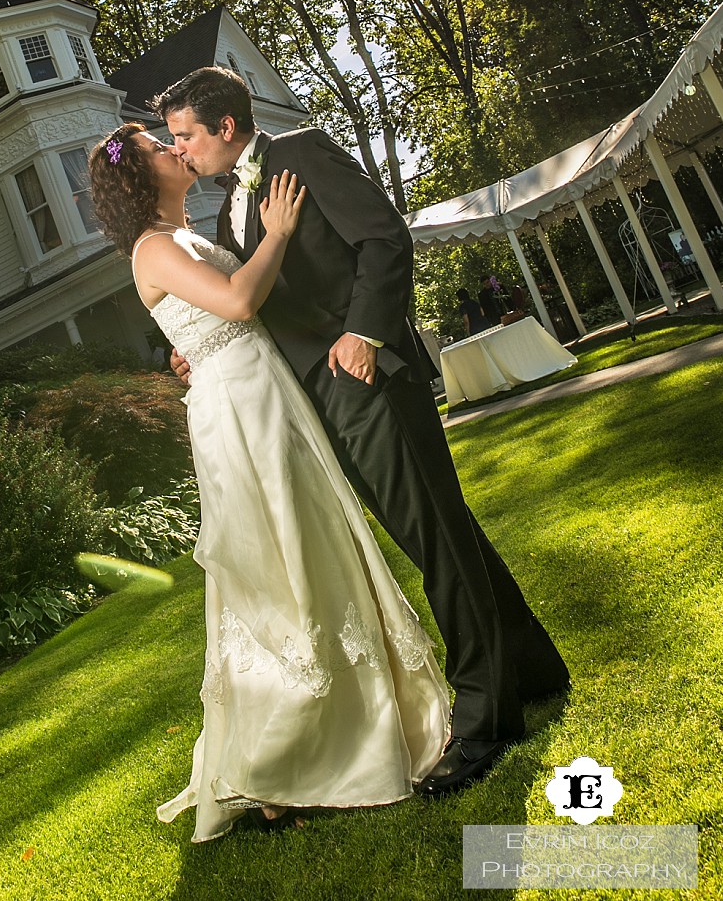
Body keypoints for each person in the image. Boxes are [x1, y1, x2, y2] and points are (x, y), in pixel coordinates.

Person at [154, 67, 569, 798]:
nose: (179, 149)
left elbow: (382, 240)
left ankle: (484, 723)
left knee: (435, 540)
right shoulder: (227, 214)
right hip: (320, 402)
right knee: (441, 529)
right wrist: (197, 346)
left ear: (224, 127)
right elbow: (254, 303)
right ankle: (534, 669)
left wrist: (365, 335)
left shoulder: (303, 153)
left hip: (369, 380)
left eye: (185, 134)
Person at [88, 123, 450, 842]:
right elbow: (237, 303)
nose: (175, 150)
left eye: (174, 139)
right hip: (243, 416)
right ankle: (285, 756)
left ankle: (348, 726)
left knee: (310, 554)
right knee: (278, 567)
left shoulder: (180, 236)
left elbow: (223, 318)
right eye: (162, 148)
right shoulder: (154, 247)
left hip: (267, 393)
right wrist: (276, 233)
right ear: (142, 177)